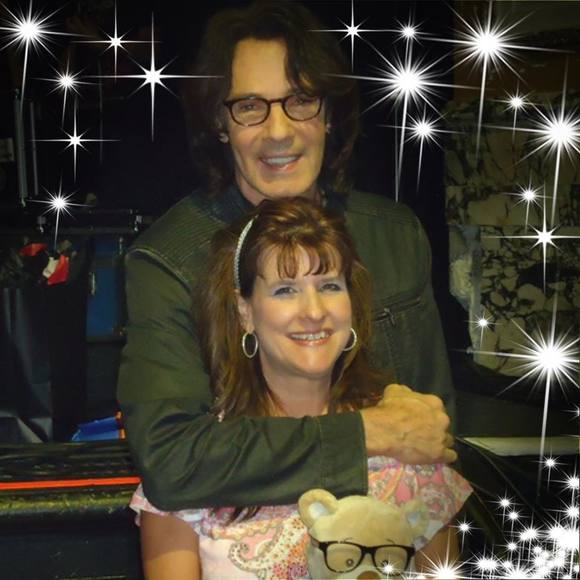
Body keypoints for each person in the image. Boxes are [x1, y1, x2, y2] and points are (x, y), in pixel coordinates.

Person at [117, 0, 456, 512]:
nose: (278, 131)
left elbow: (436, 434)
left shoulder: (395, 238)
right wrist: (366, 433)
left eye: (300, 100)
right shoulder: (169, 262)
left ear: (329, 115)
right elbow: (172, 460)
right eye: (250, 106)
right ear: (220, 123)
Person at [130, 197, 472, 579]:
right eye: (285, 290)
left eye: (329, 285)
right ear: (245, 311)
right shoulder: (196, 470)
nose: (313, 311)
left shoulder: (411, 447)